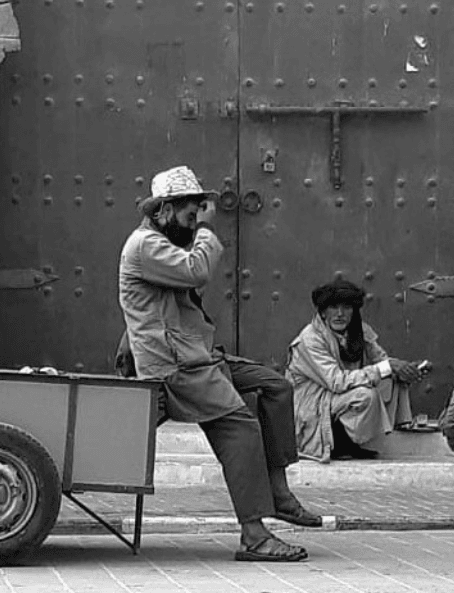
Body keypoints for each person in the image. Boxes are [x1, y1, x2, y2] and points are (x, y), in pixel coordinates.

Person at [118, 165, 321, 563]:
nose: (195, 221)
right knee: (240, 427)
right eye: (190, 214)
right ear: (164, 210)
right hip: (175, 368)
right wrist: (209, 231)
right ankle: (255, 536)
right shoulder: (145, 245)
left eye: (199, 214)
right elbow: (196, 271)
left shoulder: (164, 242)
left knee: (275, 387)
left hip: (198, 356)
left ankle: (279, 494)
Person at [286, 279, 431, 463]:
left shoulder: (359, 330)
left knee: (391, 380)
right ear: (323, 312)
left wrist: (406, 370)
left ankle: (364, 443)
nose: (340, 314)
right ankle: (339, 445)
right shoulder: (310, 339)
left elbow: (382, 361)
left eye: (346, 308)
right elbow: (336, 381)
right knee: (365, 395)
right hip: (315, 406)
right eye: (333, 307)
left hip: (339, 397)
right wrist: (387, 367)